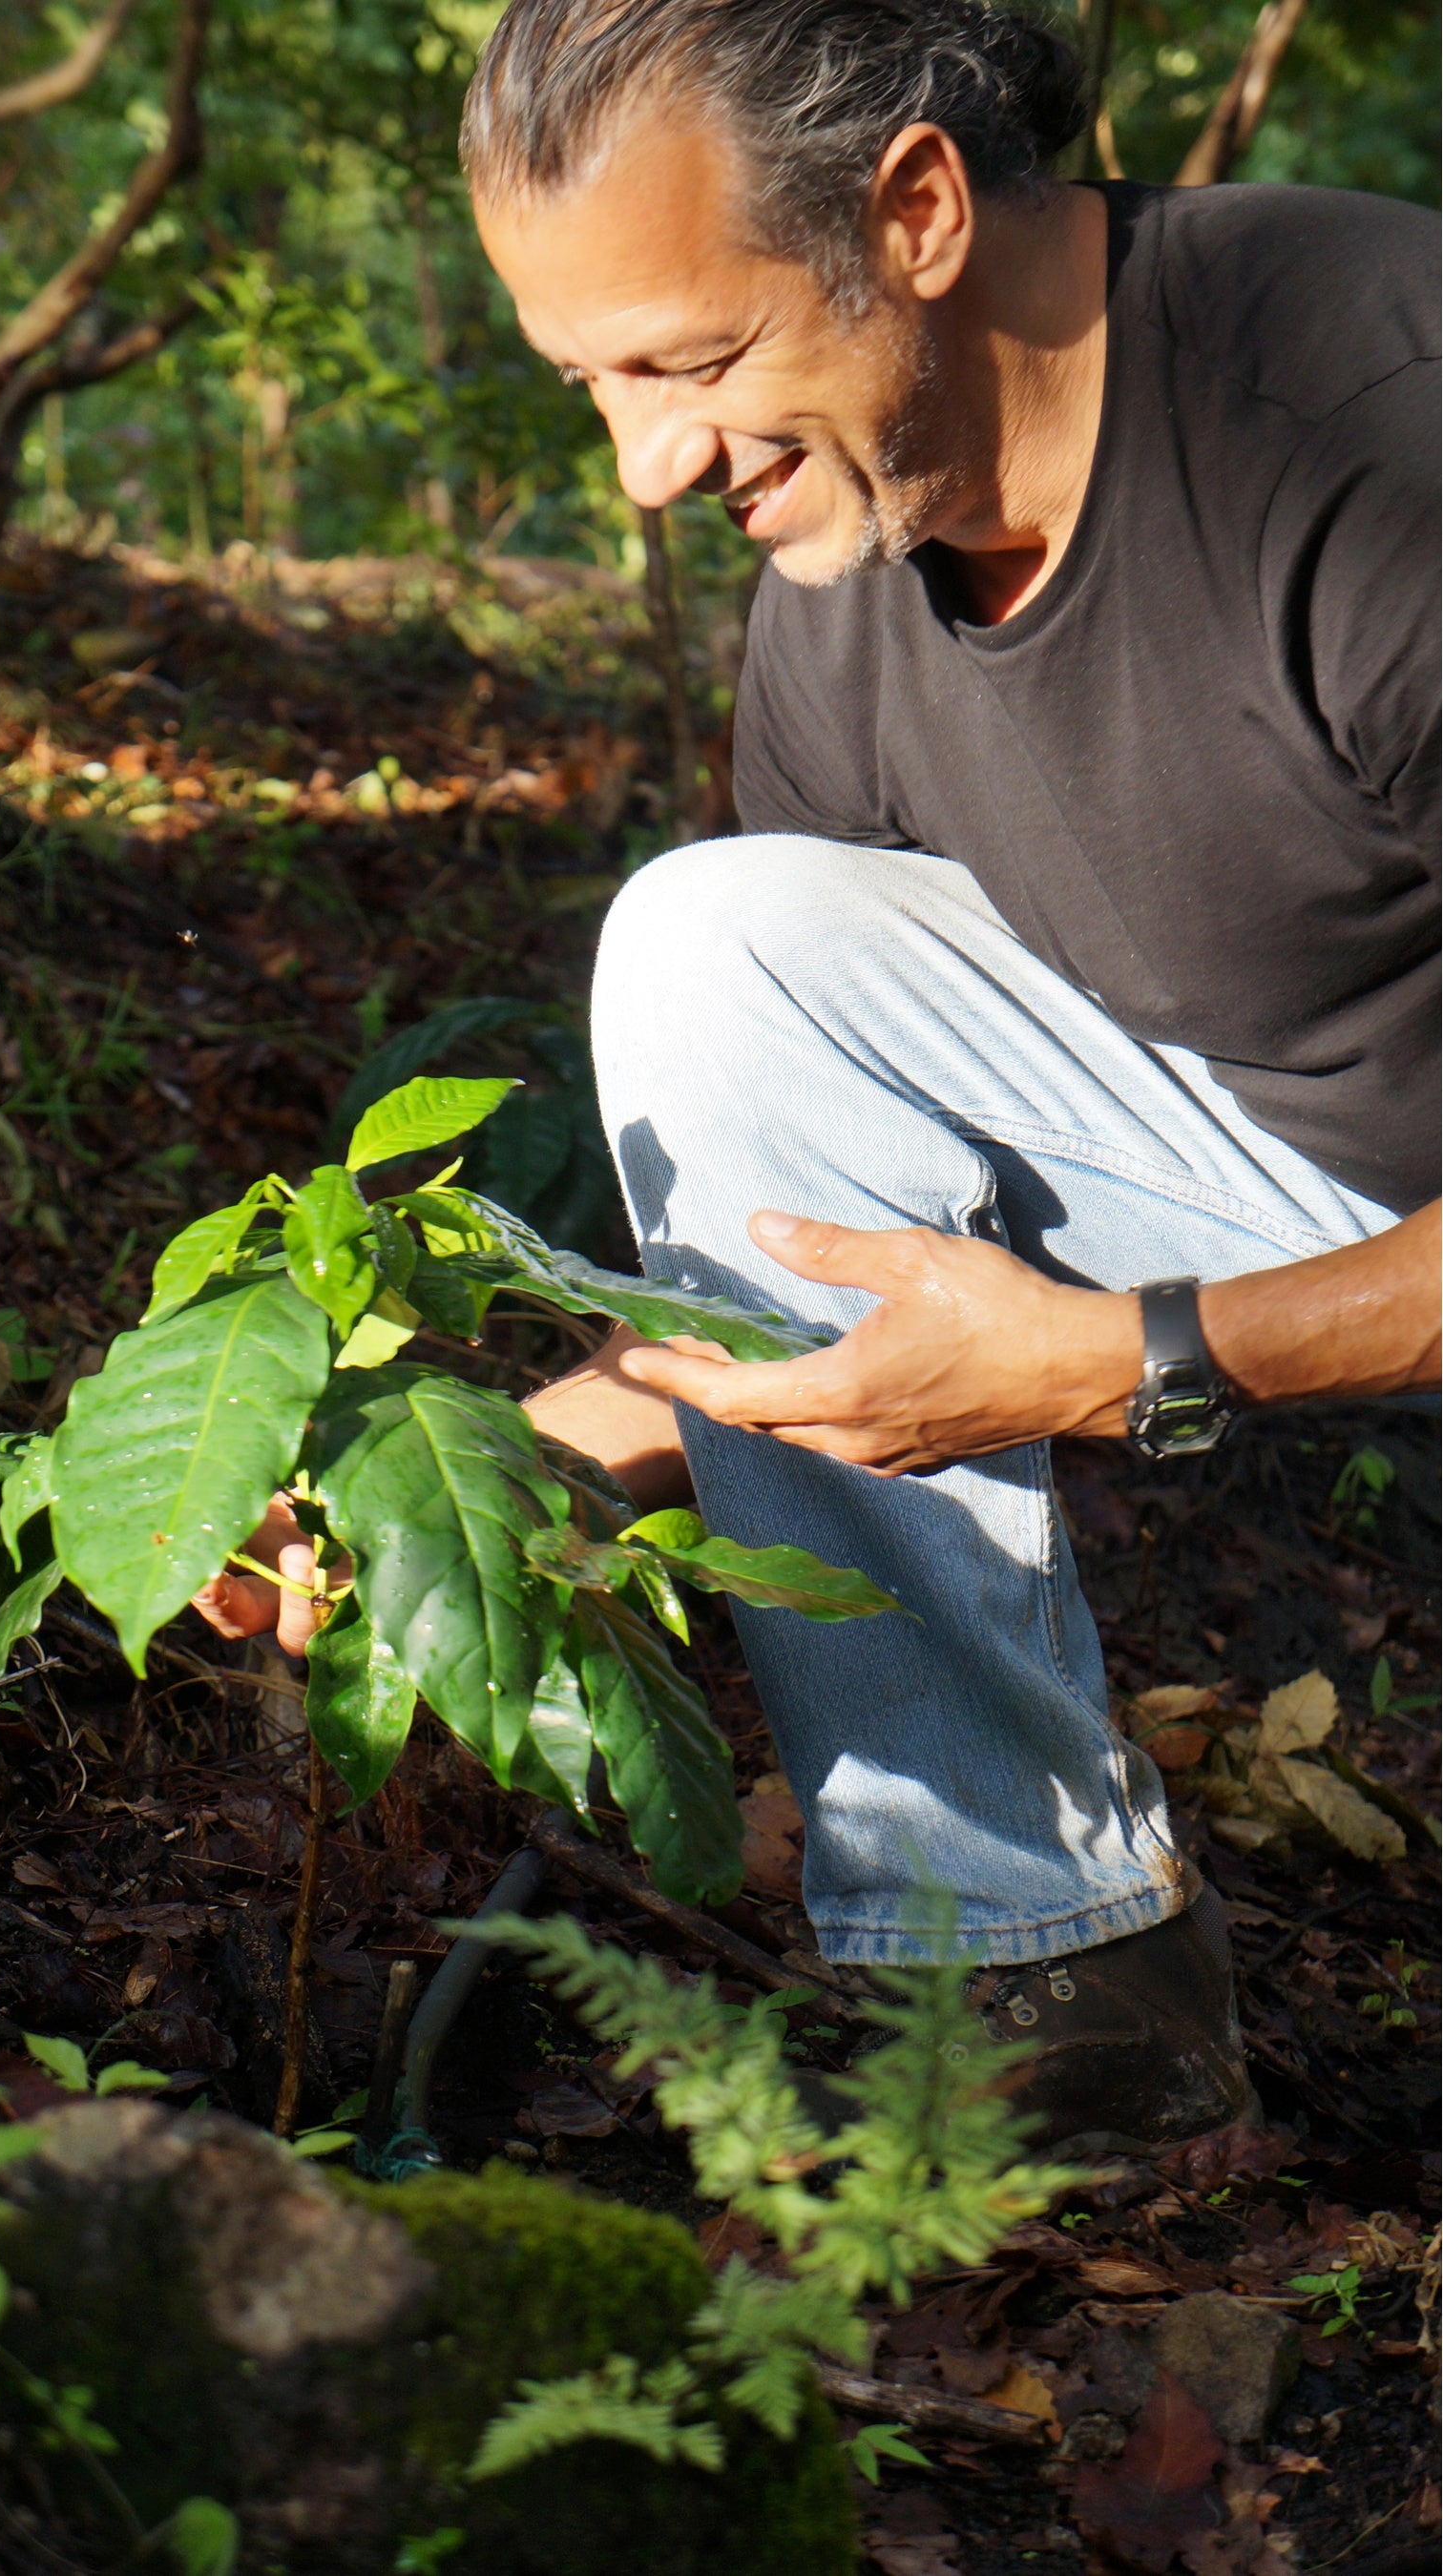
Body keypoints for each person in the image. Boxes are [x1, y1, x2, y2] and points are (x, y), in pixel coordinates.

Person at [199, 0, 1440, 2155]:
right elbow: (802, 1242)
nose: (647, 471)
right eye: (593, 388)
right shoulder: (848, 573)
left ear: (920, 210)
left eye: (685, 362)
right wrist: (470, 1500)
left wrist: (1123, 1357)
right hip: (1281, 1180)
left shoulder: (1359, 419)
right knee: (716, 935)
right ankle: (1035, 1976)